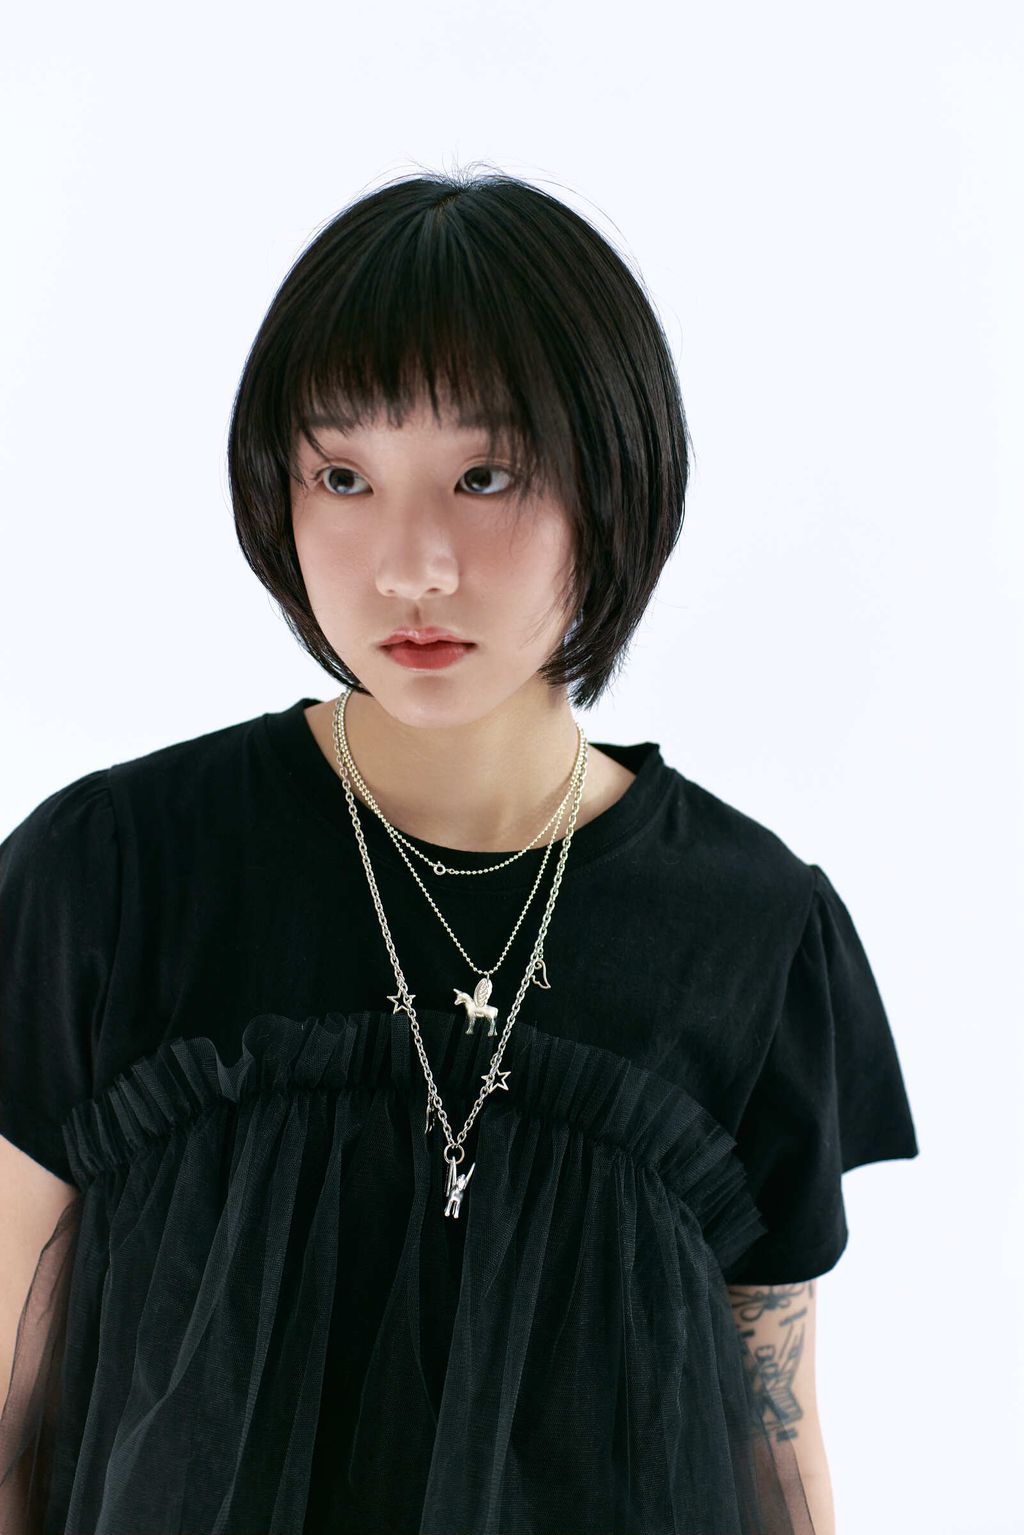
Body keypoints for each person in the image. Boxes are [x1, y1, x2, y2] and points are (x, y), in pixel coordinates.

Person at [0, 166, 919, 1535]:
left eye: (485, 476)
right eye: (344, 477)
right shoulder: (118, 877)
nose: (412, 565)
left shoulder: (753, 933)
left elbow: (775, 1451)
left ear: (615, 480)